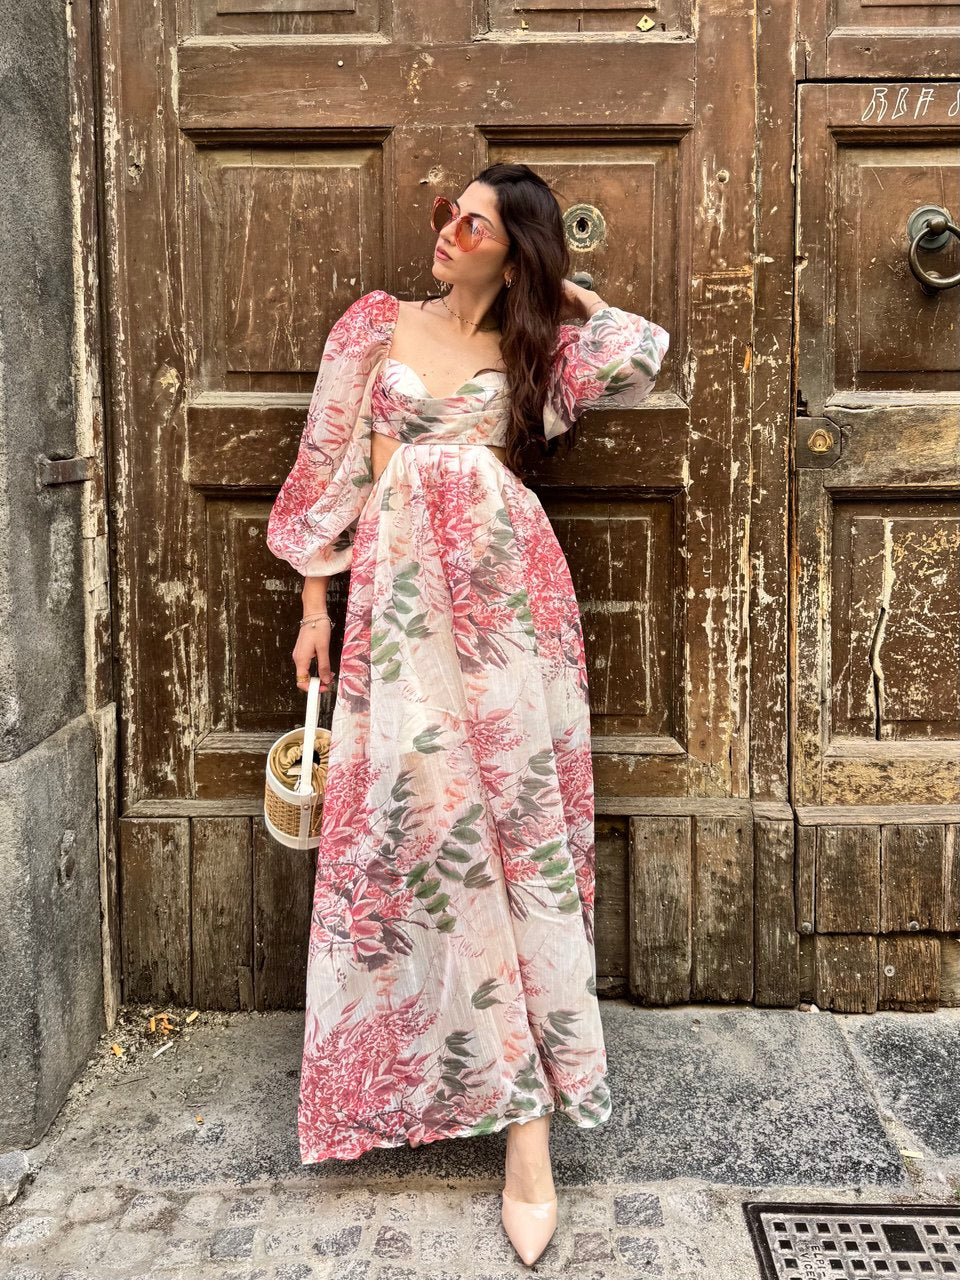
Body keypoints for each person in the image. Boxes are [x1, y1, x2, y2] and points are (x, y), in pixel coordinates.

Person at [266, 160, 669, 1267]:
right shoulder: (376, 325)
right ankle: (439, 1075)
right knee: (430, 833)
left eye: (479, 224)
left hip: (509, 603)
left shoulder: (537, 351)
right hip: (399, 608)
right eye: (452, 213)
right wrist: (314, 604)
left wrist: (562, 289)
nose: (451, 231)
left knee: (518, 836)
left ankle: (529, 1129)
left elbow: (641, 351)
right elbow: (328, 464)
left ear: (515, 249)